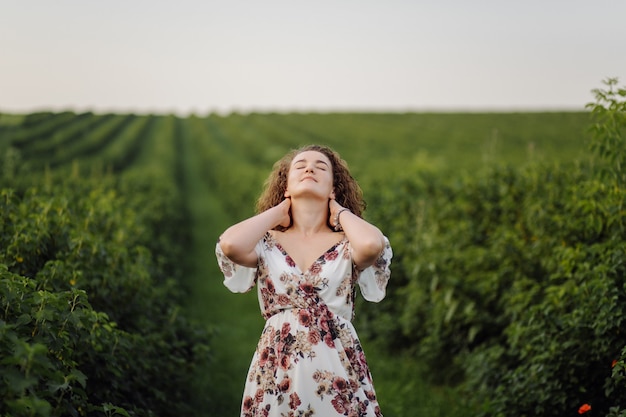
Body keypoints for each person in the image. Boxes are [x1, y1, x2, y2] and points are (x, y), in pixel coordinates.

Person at [216, 144, 392, 417]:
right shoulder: (266, 242)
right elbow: (230, 244)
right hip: (278, 362)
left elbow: (372, 245)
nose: (310, 168)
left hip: (336, 365)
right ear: (286, 185)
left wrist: (340, 212)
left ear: (333, 188)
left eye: (321, 167)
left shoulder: (348, 243)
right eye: (300, 166)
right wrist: (278, 211)